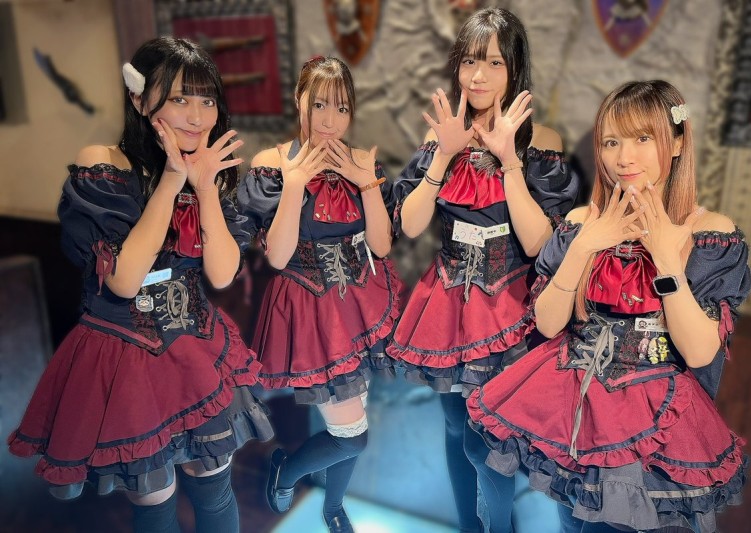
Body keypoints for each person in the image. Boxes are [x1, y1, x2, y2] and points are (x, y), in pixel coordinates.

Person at [7, 37, 274, 533]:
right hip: (124, 355)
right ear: (139, 98)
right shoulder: (105, 166)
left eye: (207, 100)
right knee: (155, 502)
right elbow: (125, 281)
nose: (196, 116)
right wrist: (172, 180)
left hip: (195, 346)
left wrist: (204, 188)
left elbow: (220, 274)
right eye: (179, 98)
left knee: (215, 488)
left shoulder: (210, 170)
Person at [466, 80, 750, 533]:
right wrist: (584, 246)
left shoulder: (710, 235)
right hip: (572, 409)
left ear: (678, 142)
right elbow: (549, 323)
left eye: (643, 138)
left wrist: (666, 259)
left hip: (655, 421)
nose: (624, 157)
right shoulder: (581, 223)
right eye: (612, 142)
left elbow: (700, 353)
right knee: (570, 518)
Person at [387, 8, 579, 533]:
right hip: (449, 300)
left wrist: (509, 159)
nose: (478, 75)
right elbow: (410, 224)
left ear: (514, 68)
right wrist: (442, 157)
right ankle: (470, 524)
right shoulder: (442, 138)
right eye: (470, 60)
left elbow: (541, 242)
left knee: (490, 435)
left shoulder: (543, 141)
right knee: (456, 427)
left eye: (494, 62)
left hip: (511, 303)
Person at [237, 56, 400, 533]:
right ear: (299, 100)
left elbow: (382, 245)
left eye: (342, 108)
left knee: (350, 422)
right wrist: (293, 185)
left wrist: (366, 181)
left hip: (360, 302)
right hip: (309, 308)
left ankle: (332, 508)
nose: (330, 120)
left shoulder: (360, 161)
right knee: (351, 436)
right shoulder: (272, 164)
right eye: (320, 105)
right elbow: (278, 257)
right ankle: (286, 471)